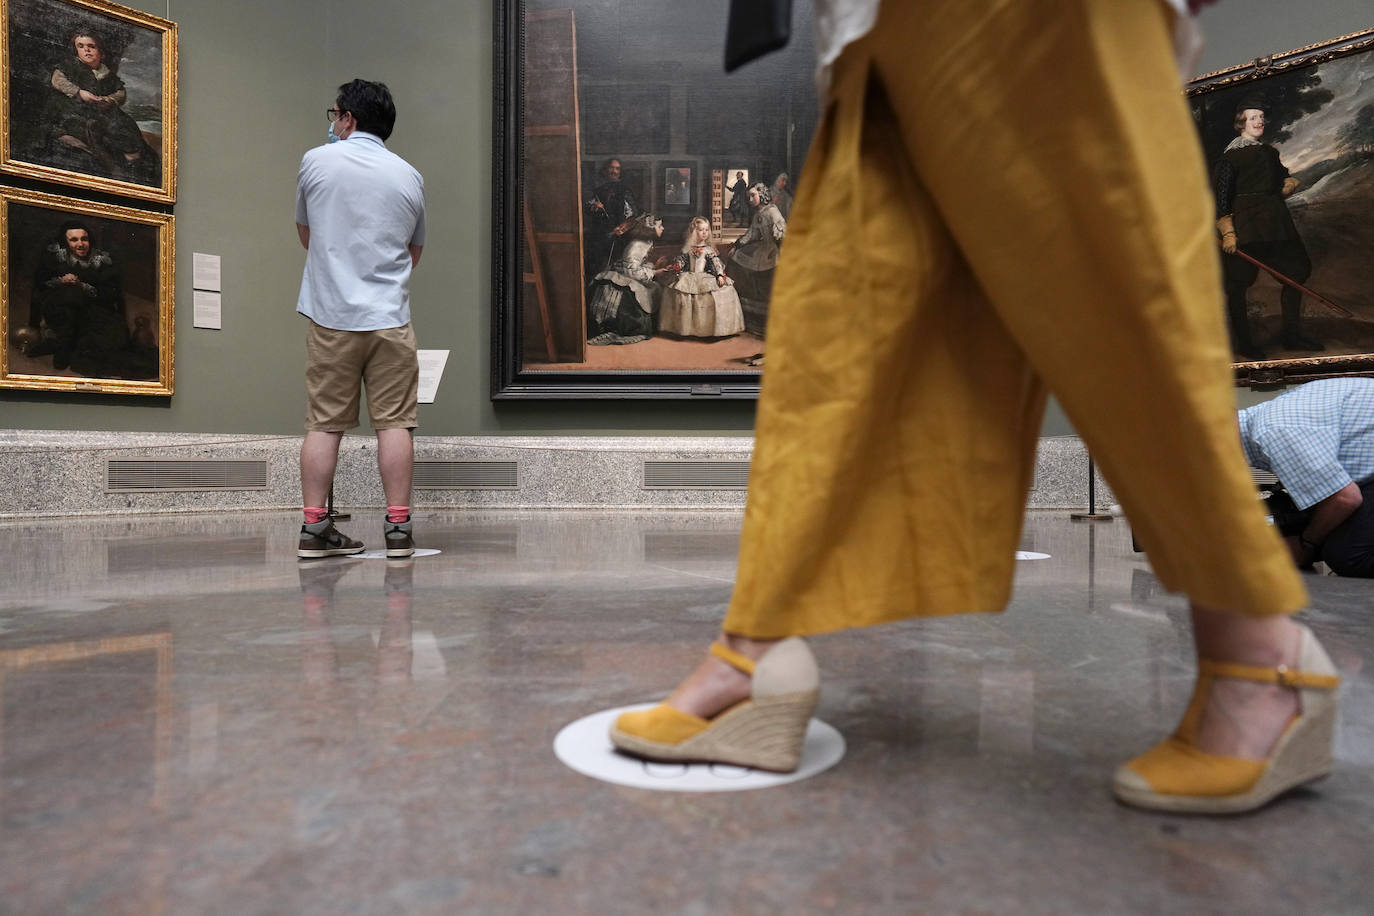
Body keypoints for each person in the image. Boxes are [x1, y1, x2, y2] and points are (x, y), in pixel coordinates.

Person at [607, 0, 1341, 816]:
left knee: (1116, 291)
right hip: (873, 28)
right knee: (840, 336)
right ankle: (754, 657)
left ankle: (1262, 662)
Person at [295, 79, 425, 560]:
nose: (333, 122)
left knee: (325, 425)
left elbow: (306, 233)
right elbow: (414, 251)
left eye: (335, 114)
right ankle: (398, 529)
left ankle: (314, 530)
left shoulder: (316, 160)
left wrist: (339, 269)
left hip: (332, 317)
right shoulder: (409, 175)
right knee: (394, 424)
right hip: (389, 317)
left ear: (347, 118)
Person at [1215, 97, 1322, 360]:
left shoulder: (1270, 152)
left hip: (1276, 223)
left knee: (1297, 270)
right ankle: (1244, 343)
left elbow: (1281, 178)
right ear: (1241, 124)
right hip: (1247, 227)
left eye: (1261, 117)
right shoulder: (1230, 158)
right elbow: (1222, 198)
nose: (1259, 121)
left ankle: (1291, 336)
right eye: (1253, 117)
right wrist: (1228, 232)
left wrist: (1288, 183)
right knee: (1237, 283)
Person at [1240, 378, 1374, 578]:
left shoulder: (1271, 431)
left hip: (1359, 483)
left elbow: (1345, 498)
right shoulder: (1266, 419)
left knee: (1349, 554)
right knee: (1322, 525)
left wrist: (1304, 545)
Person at [42, 31, 156, 183]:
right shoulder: (70, 67)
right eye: (81, 46)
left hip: (101, 108)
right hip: (74, 107)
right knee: (98, 128)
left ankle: (132, 155)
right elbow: (58, 81)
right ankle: (120, 158)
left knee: (125, 122)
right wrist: (79, 93)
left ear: (101, 53)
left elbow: (120, 92)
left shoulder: (106, 73)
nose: (86, 50)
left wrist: (110, 99)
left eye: (91, 46)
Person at [27, 220, 121, 371]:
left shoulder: (100, 259)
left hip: (92, 309)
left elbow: (110, 294)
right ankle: (61, 346)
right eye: (74, 239)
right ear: (65, 241)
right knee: (68, 298)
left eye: (84, 239)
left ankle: (62, 348)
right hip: (60, 307)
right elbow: (40, 284)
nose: (80, 244)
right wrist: (60, 281)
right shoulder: (56, 256)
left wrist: (82, 285)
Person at [586, 213, 668, 345]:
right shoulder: (638, 244)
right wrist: (654, 272)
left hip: (628, 274)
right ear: (651, 228)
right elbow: (631, 271)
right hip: (623, 279)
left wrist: (653, 267)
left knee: (654, 288)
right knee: (649, 291)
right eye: (660, 225)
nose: (663, 228)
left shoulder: (645, 241)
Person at [658, 216, 744, 339]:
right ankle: (685, 329)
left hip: (705, 276)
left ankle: (710, 330)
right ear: (694, 231)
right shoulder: (688, 248)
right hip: (690, 276)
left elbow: (716, 263)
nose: (704, 233)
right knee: (677, 291)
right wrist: (677, 265)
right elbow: (683, 261)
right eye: (701, 230)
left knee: (725, 291)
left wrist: (719, 275)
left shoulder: (709, 249)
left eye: (706, 230)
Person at [726, 183, 786, 336]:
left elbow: (782, 231)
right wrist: (737, 245)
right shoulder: (758, 214)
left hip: (774, 249)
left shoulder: (772, 211)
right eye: (749, 196)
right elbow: (751, 234)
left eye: (753, 195)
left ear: (763, 195)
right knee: (736, 257)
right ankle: (749, 309)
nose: (750, 199)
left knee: (768, 276)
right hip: (762, 247)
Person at [583, 158, 639, 280]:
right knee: (595, 269)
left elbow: (633, 215)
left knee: (615, 272)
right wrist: (594, 207)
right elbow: (586, 208)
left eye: (617, 168)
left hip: (618, 237)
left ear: (620, 172)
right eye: (611, 167)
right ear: (606, 170)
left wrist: (622, 228)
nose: (614, 171)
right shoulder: (598, 190)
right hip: (598, 236)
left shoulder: (625, 191)